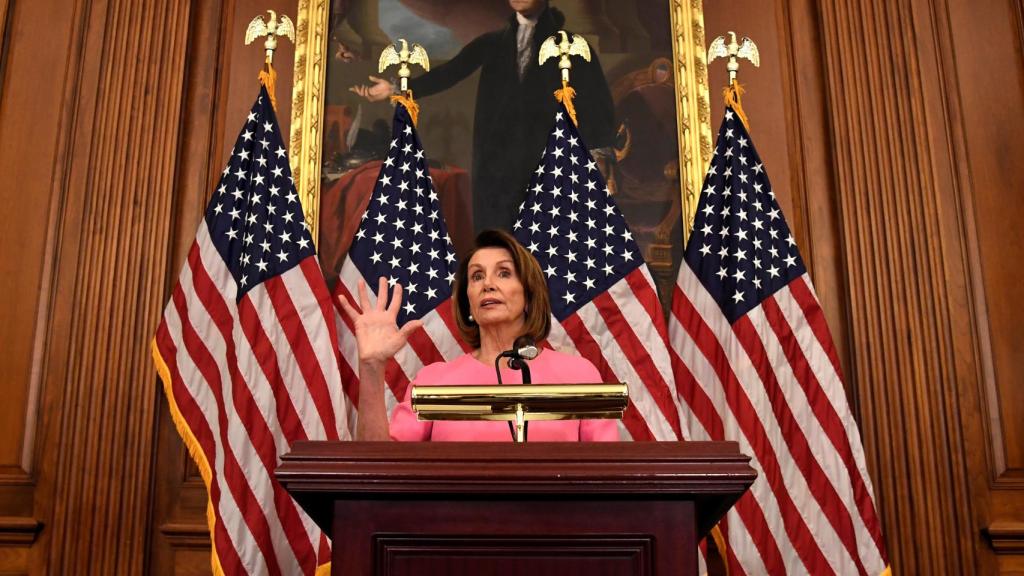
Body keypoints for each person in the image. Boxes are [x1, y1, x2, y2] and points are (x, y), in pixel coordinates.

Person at [350, 0, 615, 233]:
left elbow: (596, 105)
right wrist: (396, 88)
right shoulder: (494, 42)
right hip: (497, 169)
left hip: (548, 167)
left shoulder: (571, 47)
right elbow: (449, 73)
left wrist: (600, 159)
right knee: (499, 244)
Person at [337, 229, 620, 441]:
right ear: (468, 302)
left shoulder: (578, 376)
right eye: (476, 276)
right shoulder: (435, 382)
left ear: (530, 297)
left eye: (504, 273)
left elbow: (606, 473)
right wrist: (372, 367)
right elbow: (379, 468)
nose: (488, 284)